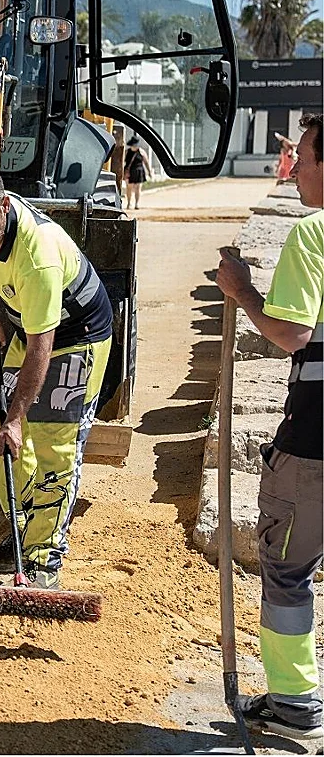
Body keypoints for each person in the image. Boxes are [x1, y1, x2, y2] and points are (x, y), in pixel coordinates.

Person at [0, 164, 114, 590]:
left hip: (74, 337)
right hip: (29, 326)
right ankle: (20, 538)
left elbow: (44, 347)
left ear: (3, 206)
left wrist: (20, 417)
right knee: (2, 438)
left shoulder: (36, 254)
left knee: (52, 441)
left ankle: (44, 557)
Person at [215, 112, 322, 741]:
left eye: (304, 158)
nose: (296, 169)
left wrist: (242, 290)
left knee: (287, 571)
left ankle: (294, 699)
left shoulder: (313, 235)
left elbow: (291, 333)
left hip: (315, 444)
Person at [123, 135, 152, 211]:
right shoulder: (127, 152)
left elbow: (146, 162)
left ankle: (136, 204)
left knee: (138, 188)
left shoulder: (142, 152)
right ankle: (129, 203)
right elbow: (122, 162)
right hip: (129, 172)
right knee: (129, 188)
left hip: (139, 171)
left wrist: (149, 172)